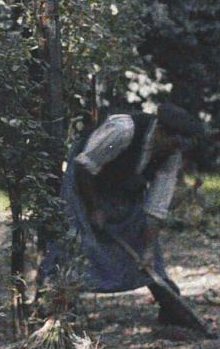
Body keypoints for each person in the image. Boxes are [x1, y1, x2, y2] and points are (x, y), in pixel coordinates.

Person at [45, 102, 207, 327]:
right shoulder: (123, 129)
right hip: (84, 182)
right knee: (77, 243)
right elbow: (84, 166)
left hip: (122, 189)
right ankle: (58, 314)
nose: (173, 150)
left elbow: (156, 205)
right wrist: (94, 209)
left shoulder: (171, 153)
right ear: (160, 129)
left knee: (147, 251)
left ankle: (173, 313)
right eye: (172, 143)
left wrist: (149, 249)